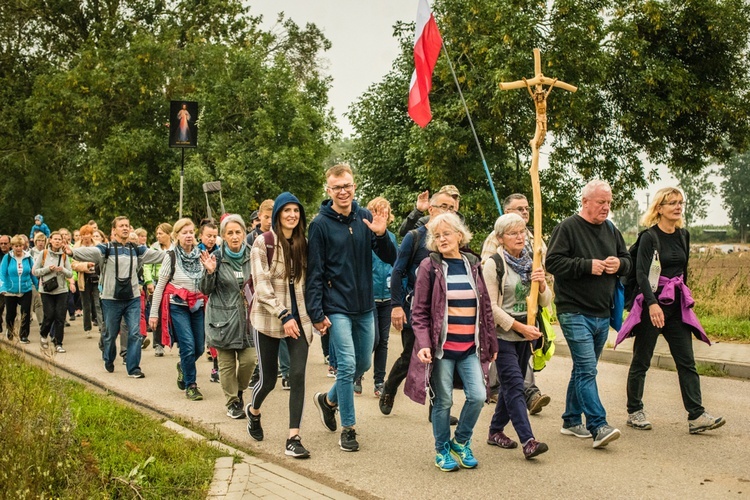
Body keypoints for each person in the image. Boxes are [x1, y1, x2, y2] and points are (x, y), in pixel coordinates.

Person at [617, 187, 725, 434]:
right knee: (641, 360)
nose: (677, 207)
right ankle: (634, 411)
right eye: (672, 203)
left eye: (680, 202)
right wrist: (652, 303)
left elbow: (683, 271)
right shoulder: (649, 237)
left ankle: (696, 415)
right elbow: (642, 273)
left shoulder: (683, 235)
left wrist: (684, 296)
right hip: (652, 307)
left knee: (686, 361)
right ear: (659, 208)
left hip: (676, 306)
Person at [306, 163, 397, 452]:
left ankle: (328, 400)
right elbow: (315, 272)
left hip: (364, 304)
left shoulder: (365, 217)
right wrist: (316, 313)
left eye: (347, 185)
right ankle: (349, 428)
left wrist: (381, 236)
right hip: (337, 306)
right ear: (328, 190)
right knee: (346, 365)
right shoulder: (320, 225)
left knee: (364, 364)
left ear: (354, 186)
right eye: (337, 187)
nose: (343, 191)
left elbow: (390, 256)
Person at [404, 212, 498, 472]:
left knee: (478, 396)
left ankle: (461, 441)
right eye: (437, 235)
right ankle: (442, 448)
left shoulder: (473, 264)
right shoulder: (429, 267)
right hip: (442, 350)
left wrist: (491, 344)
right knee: (443, 401)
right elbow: (419, 312)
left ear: (459, 235)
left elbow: (486, 308)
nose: (442, 239)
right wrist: (423, 343)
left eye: (447, 233)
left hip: (470, 348)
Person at [546, 180, 631, 449]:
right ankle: (598, 425)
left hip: (602, 312)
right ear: (585, 202)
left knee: (584, 369)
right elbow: (553, 262)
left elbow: (627, 260)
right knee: (587, 369)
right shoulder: (568, 227)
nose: (606, 207)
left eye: (609, 202)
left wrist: (620, 264)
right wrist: (587, 266)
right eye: (600, 202)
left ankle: (571, 420)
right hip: (573, 310)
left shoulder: (611, 230)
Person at [246, 193, 314, 459]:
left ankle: (293, 437)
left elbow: (310, 282)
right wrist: (284, 315)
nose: (292, 215)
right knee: (269, 380)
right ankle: (254, 411)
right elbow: (261, 287)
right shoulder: (263, 243)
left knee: (297, 376)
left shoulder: (304, 244)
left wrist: (316, 314)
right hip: (268, 319)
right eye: (286, 210)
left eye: (296, 211)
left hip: (299, 320)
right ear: (277, 215)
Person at [380, 191, 458, 418]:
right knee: (410, 356)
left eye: (452, 208)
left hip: (443, 310)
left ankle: (438, 409)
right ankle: (389, 388)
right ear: (431, 209)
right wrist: (395, 306)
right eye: (443, 206)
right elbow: (397, 271)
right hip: (416, 308)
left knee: (440, 356)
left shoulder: (453, 239)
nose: (448, 211)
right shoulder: (415, 237)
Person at [484, 214, 551, 459]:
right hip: (503, 335)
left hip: (527, 333)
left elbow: (545, 301)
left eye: (522, 231)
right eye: (513, 233)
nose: (520, 237)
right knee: (514, 385)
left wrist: (542, 284)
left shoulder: (532, 261)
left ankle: (494, 431)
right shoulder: (493, 264)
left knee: (510, 387)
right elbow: (490, 306)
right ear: (500, 239)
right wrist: (518, 327)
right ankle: (528, 440)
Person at [67, 216, 165, 377]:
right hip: (111, 299)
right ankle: (109, 358)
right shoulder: (106, 249)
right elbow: (90, 252)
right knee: (110, 334)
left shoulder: (137, 249)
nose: (125, 228)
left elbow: (158, 256)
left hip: (132, 297)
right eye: (121, 226)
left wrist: (177, 252)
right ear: (114, 230)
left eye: (127, 225)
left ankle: (133, 368)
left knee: (134, 332)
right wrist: (72, 252)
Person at [199, 215, 257, 420]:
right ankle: (232, 401)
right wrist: (210, 273)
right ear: (223, 236)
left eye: (238, 232)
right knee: (226, 365)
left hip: (248, 320)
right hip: (221, 320)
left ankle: (239, 391)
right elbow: (205, 289)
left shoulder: (254, 255)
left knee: (250, 360)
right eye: (229, 233)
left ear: (244, 234)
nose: (234, 236)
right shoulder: (214, 257)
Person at [149, 218, 207, 399]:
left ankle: (183, 366)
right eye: (184, 232)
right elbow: (160, 286)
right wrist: (153, 314)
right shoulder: (171, 256)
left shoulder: (200, 254)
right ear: (176, 235)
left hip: (197, 306)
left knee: (199, 348)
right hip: (178, 306)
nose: (188, 236)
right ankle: (191, 385)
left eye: (191, 232)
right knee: (188, 346)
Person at [362, 197, 397, 397]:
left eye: (385, 211)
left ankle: (379, 382)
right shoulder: (365, 237)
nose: (381, 214)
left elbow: (396, 264)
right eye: (377, 210)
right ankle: (358, 374)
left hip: (387, 296)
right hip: (369, 296)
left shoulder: (391, 237)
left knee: (383, 341)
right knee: (372, 339)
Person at [33, 231, 73, 352]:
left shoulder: (64, 255)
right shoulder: (43, 254)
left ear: (62, 242)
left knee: (60, 317)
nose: (57, 241)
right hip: (47, 290)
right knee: (49, 315)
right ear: (50, 240)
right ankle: (43, 335)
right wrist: (47, 269)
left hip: (61, 290)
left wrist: (62, 270)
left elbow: (70, 273)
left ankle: (58, 343)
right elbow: (35, 271)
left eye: (59, 239)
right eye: (55, 239)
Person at [0, 235, 38, 343]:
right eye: (16, 246)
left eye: (20, 246)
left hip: (26, 289)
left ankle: (24, 336)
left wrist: (38, 287)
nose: (18, 248)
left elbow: (33, 274)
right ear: (12, 246)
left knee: (25, 313)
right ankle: (10, 330)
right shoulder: (7, 258)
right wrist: (2, 287)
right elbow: (2, 274)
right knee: (11, 314)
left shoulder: (28, 257)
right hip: (10, 290)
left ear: (23, 246)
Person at [71, 225, 104, 340]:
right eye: (83, 234)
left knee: (98, 303)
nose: (86, 236)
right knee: (86, 304)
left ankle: (101, 327)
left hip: (97, 277)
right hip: (83, 278)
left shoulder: (98, 245)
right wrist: (85, 265)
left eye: (88, 234)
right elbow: (73, 264)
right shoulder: (76, 247)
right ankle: (87, 328)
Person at [147, 223, 173, 357]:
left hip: (173, 283)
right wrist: (149, 281)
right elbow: (147, 266)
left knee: (173, 313)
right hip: (157, 282)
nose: (158, 236)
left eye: (161, 233)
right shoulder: (154, 248)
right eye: (157, 234)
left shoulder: (176, 247)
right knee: (156, 311)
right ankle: (158, 344)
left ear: (169, 234)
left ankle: (179, 342)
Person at [398, 185, 462, 237]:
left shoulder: (461, 222)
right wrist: (418, 211)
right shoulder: (425, 222)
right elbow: (404, 233)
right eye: (444, 205)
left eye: (455, 198)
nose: (451, 201)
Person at [29, 233, 46, 325]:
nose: (41, 243)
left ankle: (41, 322)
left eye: (42, 241)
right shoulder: (31, 253)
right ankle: (29, 318)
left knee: (40, 303)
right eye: (39, 240)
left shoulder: (47, 252)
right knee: (32, 302)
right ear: (35, 242)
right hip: (33, 279)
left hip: (43, 279)